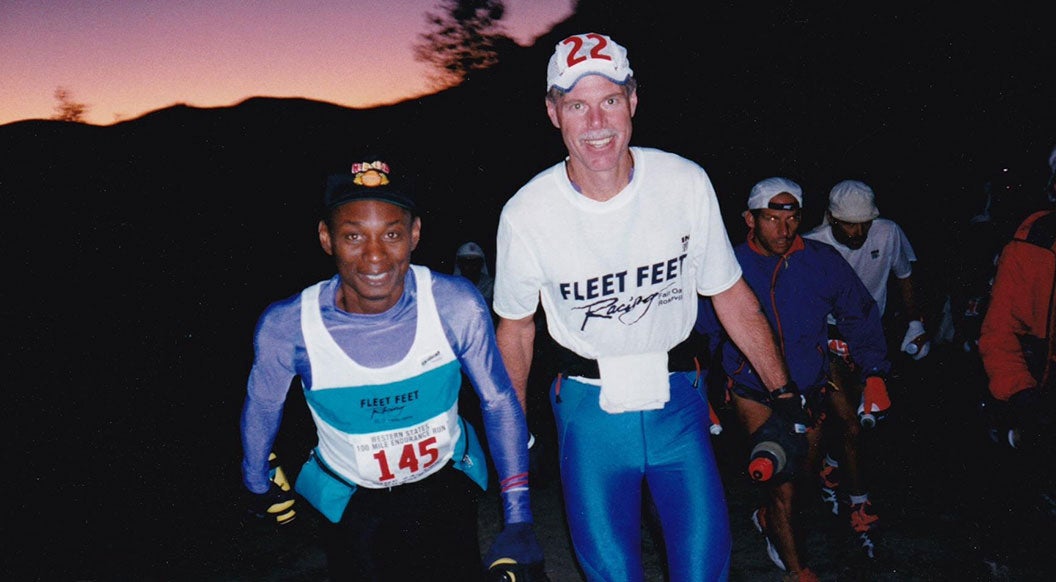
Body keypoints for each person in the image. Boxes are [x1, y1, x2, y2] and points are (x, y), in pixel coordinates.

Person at [493, 32, 803, 582]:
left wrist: (783, 392)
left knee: (704, 569)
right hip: (589, 413)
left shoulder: (684, 182)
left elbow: (728, 291)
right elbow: (515, 328)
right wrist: (511, 436)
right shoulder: (527, 211)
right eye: (576, 105)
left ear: (633, 101)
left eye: (609, 100)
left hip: (679, 403)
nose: (596, 123)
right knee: (612, 574)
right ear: (553, 113)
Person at [239, 158, 544, 580]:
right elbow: (262, 406)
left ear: (415, 234)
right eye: (353, 236)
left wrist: (519, 519)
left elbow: (498, 402)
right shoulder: (288, 325)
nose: (375, 256)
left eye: (393, 234)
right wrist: (257, 481)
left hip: (445, 486)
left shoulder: (455, 304)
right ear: (326, 238)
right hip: (350, 502)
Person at [696, 178, 892, 580]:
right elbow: (699, 332)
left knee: (800, 480)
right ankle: (798, 571)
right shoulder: (727, 265)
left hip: (810, 388)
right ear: (750, 219)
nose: (784, 230)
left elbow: (859, 312)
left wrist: (874, 373)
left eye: (792, 218)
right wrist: (701, 389)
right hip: (753, 389)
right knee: (782, 484)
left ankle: (769, 519)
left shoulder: (821, 261)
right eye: (772, 218)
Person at [801, 179, 924, 525]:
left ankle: (833, 467)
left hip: (870, 333)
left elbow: (905, 274)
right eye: (849, 224)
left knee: (866, 411)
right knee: (850, 422)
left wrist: (916, 321)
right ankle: (860, 504)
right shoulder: (812, 245)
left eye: (863, 223)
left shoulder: (888, 233)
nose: (857, 232)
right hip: (827, 333)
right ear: (832, 219)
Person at [975, 136, 1056, 574]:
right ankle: (1003, 554)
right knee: (1013, 476)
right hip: (1040, 383)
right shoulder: (1030, 246)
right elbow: (998, 333)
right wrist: (1020, 393)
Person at [454, 241, 495, 307]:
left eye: (475, 262)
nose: (471, 266)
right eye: (466, 262)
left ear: (481, 264)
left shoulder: (492, 286)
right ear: (459, 264)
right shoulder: (451, 286)